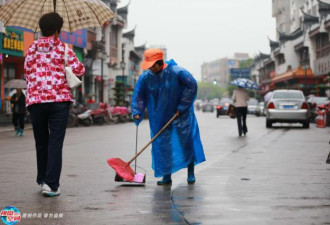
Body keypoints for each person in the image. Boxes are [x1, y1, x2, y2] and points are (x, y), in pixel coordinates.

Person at [24, 12, 85, 197]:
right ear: (57, 30)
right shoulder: (64, 49)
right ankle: (51, 185)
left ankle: (42, 178)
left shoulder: (32, 48)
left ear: (42, 29)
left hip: (36, 101)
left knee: (41, 142)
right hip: (59, 101)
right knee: (55, 142)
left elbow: (27, 72)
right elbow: (79, 69)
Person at [132, 48, 205, 185]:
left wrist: (183, 106)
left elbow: (191, 86)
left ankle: (190, 173)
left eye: (152, 66)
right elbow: (139, 96)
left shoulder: (177, 72)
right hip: (159, 117)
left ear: (160, 63)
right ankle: (166, 176)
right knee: (163, 146)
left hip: (180, 115)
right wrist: (137, 111)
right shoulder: (146, 78)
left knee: (186, 143)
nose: (150, 69)